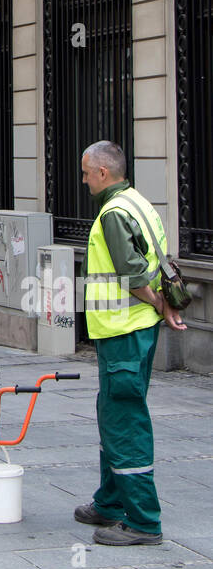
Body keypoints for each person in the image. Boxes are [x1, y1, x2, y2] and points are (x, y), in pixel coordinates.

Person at [76, 141, 186, 546]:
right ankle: (109, 501)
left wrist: (159, 304)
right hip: (130, 329)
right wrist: (163, 308)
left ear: (103, 173)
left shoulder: (113, 213)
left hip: (124, 330)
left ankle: (142, 520)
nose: (84, 179)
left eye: (87, 172)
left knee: (124, 418)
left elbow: (135, 273)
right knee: (113, 410)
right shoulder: (137, 202)